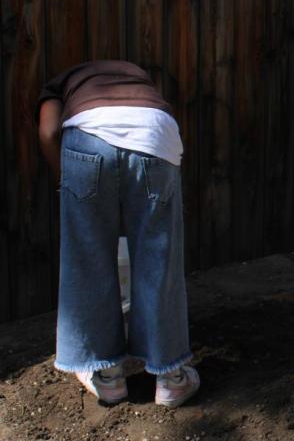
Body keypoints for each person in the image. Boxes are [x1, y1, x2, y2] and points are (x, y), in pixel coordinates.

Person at [37, 60, 199, 407]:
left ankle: (108, 377)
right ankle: (171, 379)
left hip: (87, 140)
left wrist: (65, 180)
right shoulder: (139, 80)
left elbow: (48, 132)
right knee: (159, 256)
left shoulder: (59, 84)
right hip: (154, 135)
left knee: (87, 256)